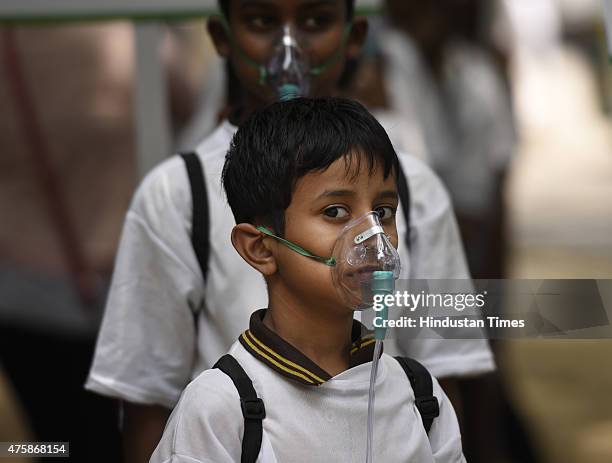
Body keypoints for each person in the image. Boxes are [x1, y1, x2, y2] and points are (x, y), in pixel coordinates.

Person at [86, 1, 494, 461]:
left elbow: (446, 376)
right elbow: (147, 401)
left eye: (316, 21)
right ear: (222, 38)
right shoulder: (177, 195)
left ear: (354, 36)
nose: (290, 47)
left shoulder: (414, 189)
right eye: (262, 22)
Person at [150, 96, 465, 463]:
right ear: (261, 249)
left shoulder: (419, 397)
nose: (374, 237)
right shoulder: (223, 409)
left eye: (383, 211)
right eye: (335, 211)